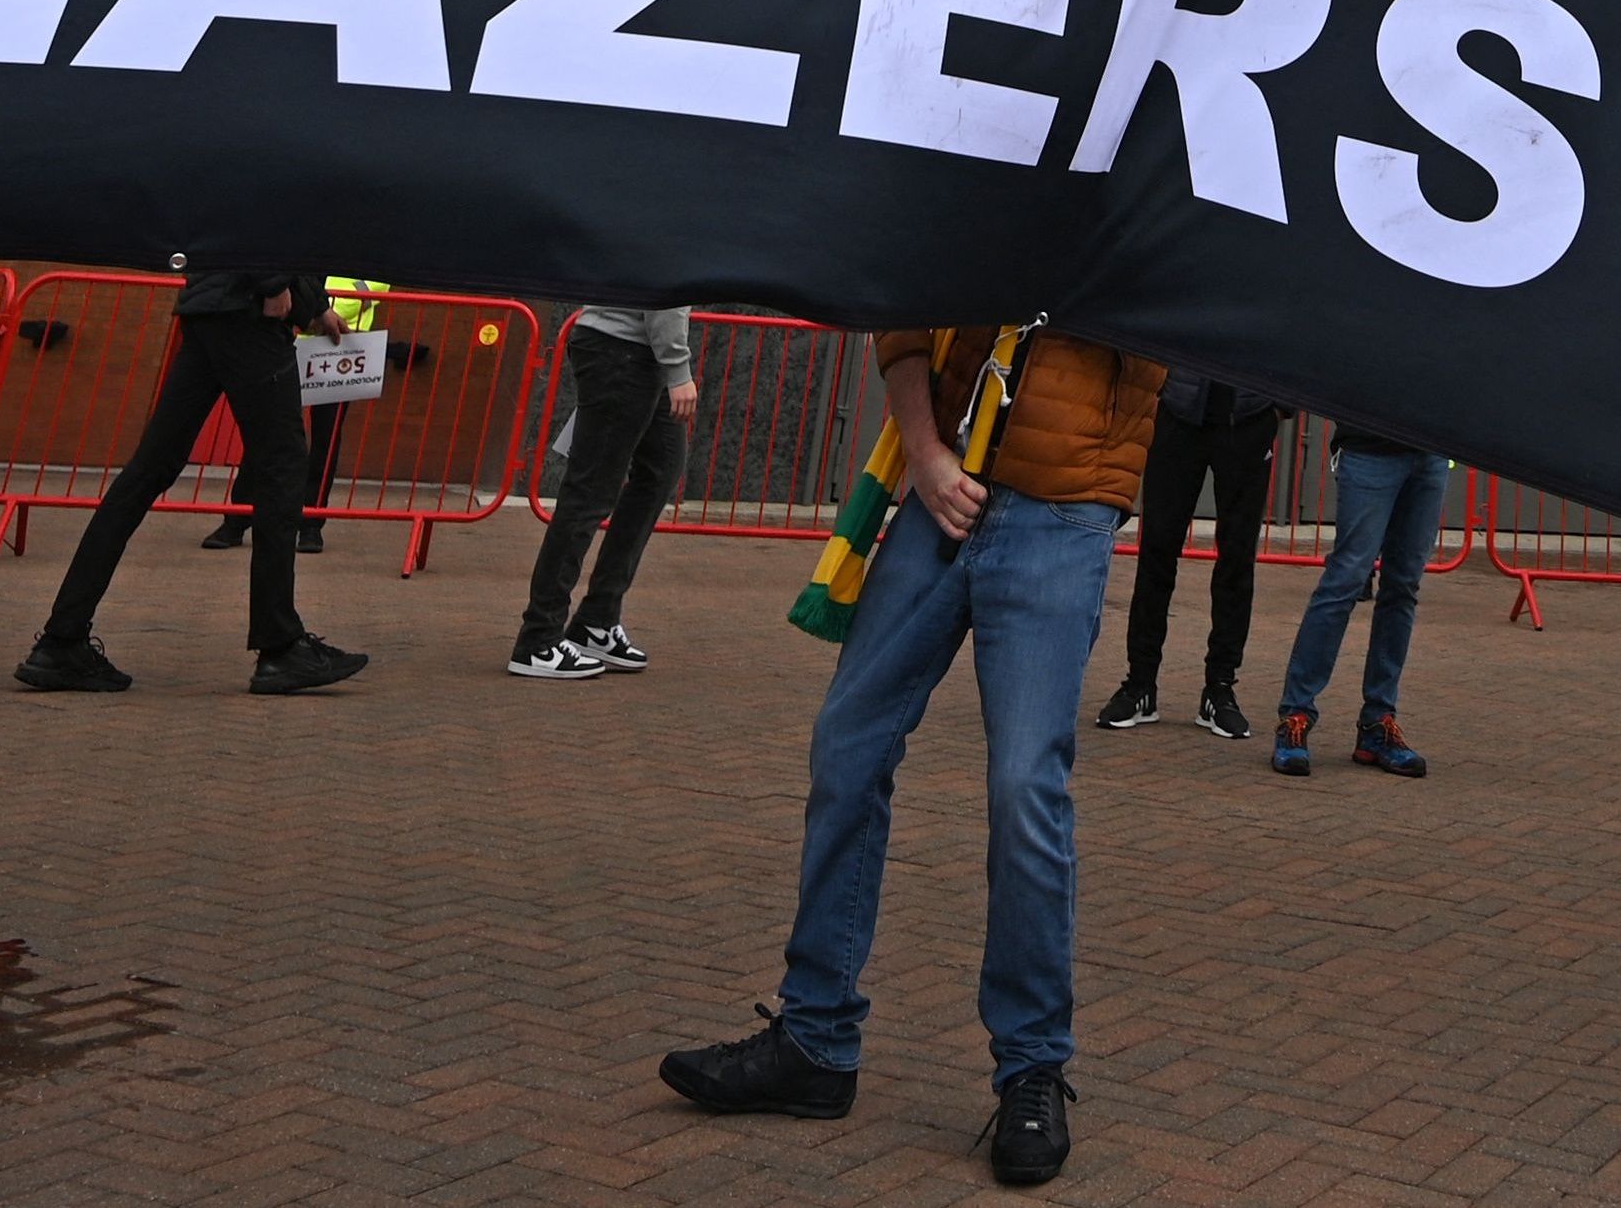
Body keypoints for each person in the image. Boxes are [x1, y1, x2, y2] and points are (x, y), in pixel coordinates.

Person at [662, 319, 1159, 1187]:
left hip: (1062, 510)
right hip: (942, 494)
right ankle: (814, 1037)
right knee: (847, 747)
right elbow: (901, 318)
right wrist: (926, 453)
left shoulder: (1157, 207)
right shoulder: (981, 192)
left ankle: (1032, 1067)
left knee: (1024, 786)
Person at [11, 263, 367, 696]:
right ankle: (281, 645)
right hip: (252, 314)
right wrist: (272, 281)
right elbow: (265, 208)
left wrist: (317, 308)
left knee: (146, 473)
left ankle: (61, 638)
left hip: (209, 313)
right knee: (283, 470)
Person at [1101, 367, 1284, 740]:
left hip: (1249, 418)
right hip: (1178, 414)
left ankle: (1220, 687)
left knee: (1237, 558)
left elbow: (1291, 331)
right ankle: (1140, 684)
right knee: (1157, 551)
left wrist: (1281, 402)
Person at [515, 303, 695, 680]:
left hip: (637, 351)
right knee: (590, 492)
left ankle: (595, 621)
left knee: (659, 472)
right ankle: (538, 638)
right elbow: (667, 288)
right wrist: (679, 369)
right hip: (622, 350)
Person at [1268, 424, 1445, 779]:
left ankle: (1378, 723)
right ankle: (1295, 715)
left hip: (1431, 452)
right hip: (1369, 448)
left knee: (1403, 587)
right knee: (1344, 581)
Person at [207, 271, 375, 553]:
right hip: (288, 340)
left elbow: (368, 290)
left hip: (339, 346)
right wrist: (310, 306)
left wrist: (312, 307)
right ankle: (237, 518)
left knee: (326, 439)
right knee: (268, 431)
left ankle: (310, 524)